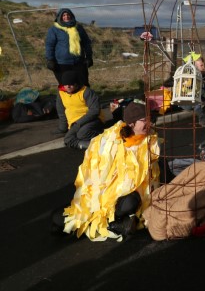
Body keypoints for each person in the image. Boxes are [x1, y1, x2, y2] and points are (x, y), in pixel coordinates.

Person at [54, 102, 160, 241]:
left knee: (132, 201)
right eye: (144, 119)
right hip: (103, 195)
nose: (149, 123)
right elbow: (96, 171)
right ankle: (113, 224)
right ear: (131, 123)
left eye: (149, 118)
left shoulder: (150, 140)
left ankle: (117, 223)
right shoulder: (111, 139)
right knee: (59, 220)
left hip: (129, 195)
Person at [54, 69, 104, 150]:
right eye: (66, 84)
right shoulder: (61, 93)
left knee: (82, 134)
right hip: (74, 124)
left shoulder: (87, 92)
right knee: (68, 139)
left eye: (71, 84)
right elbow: (61, 112)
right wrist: (63, 128)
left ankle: (104, 138)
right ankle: (94, 147)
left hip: (91, 120)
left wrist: (79, 123)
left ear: (76, 84)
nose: (68, 86)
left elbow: (94, 111)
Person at [44, 8, 93, 86]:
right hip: (62, 63)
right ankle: (65, 98)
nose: (66, 17)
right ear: (59, 17)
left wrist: (89, 57)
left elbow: (86, 42)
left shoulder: (79, 28)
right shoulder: (54, 29)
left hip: (79, 61)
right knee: (66, 86)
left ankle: (86, 98)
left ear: (72, 16)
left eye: (68, 15)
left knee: (83, 84)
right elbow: (49, 45)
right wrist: (50, 60)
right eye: (63, 15)